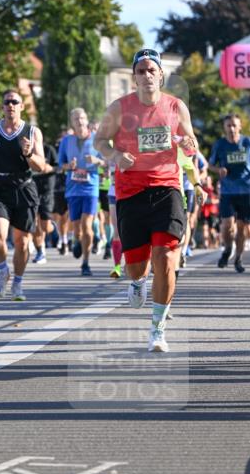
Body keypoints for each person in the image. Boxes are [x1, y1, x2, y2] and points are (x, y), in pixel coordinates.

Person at [95, 47, 198, 353]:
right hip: (130, 193)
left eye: (152, 70)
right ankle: (137, 283)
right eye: (141, 71)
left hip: (166, 187)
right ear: (134, 78)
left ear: (161, 75)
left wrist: (190, 143)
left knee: (166, 257)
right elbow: (99, 140)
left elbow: (189, 141)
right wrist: (114, 154)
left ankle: (157, 329)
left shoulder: (176, 106)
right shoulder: (118, 108)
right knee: (137, 267)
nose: (147, 75)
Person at [0, 89, 49, 301]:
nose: (11, 105)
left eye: (15, 102)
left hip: (24, 187)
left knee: (22, 242)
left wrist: (28, 153)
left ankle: (17, 283)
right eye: (7, 102)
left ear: (21, 106)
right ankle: (2, 270)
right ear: (3, 106)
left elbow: (41, 166)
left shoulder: (33, 132)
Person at [209, 113, 250, 273]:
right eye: (228, 126)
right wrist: (219, 170)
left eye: (234, 125)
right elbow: (210, 165)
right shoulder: (220, 144)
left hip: (246, 190)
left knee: (242, 227)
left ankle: (238, 258)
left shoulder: (248, 142)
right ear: (224, 128)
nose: (231, 128)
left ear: (240, 126)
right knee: (226, 226)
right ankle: (227, 249)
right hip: (228, 191)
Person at [58, 108, 104, 277]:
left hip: (91, 188)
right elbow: (60, 163)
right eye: (76, 118)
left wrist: (97, 160)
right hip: (72, 189)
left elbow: (106, 162)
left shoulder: (97, 140)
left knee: (87, 225)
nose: (79, 121)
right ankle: (77, 240)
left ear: (87, 120)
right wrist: (68, 166)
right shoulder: (66, 141)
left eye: (82, 117)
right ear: (72, 122)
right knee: (77, 229)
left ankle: (85, 262)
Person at [31, 139, 57, 264]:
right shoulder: (27, 150)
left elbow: (58, 167)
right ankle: (40, 251)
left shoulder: (49, 149)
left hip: (47, 190)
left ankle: (53, 227)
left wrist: (48, 168)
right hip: (30, 189)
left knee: (45, 226)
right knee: (34, 222)